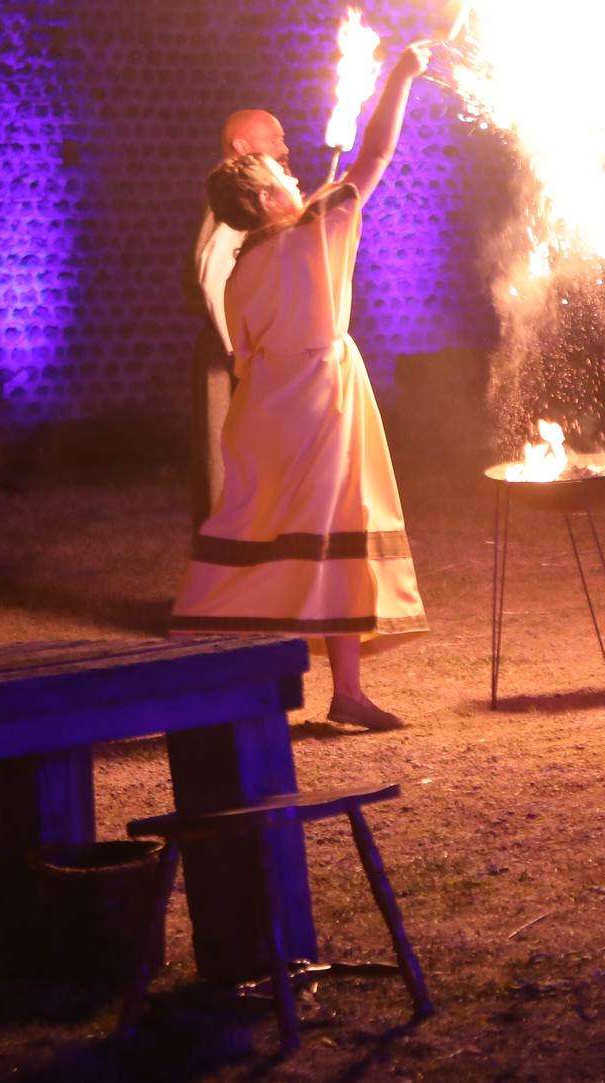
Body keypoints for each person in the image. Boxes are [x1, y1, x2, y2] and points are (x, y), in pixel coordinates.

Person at [167, 41, 433, 730]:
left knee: (279, 532)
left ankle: (343, 690)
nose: (292, 173)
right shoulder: (317, 229)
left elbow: (246, 349)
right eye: (278, 171)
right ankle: (203, 670)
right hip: (318, 406)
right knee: (323, 532)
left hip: (269, 412)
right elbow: (374, 156)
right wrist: (402, 75)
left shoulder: (244, 265)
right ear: (260, 197)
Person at [187, 109, 292, 530]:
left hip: (249, 353)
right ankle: (223, 578)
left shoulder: (255, 204)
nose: (284, 148)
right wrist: (240, 354)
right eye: (275, 139)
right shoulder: (236, 204)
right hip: (234, 357)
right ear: (243, 148)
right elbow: (214, 278)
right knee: (228, 467)